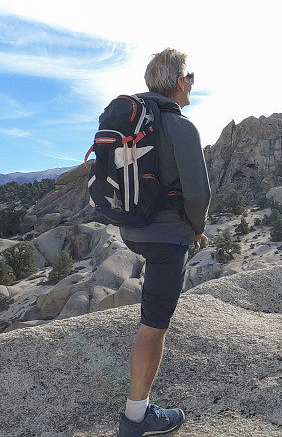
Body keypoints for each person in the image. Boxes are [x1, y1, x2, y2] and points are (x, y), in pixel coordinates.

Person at [116, 47, 211, 436]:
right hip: (165, 238)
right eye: (190, 78)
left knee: (152, 314)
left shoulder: (133, 122)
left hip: (131, 229)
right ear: (177, 82)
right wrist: (196, 228)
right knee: (153, 327)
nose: (192, 85)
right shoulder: (181, 127)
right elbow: (199, 194)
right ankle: (136, 417)